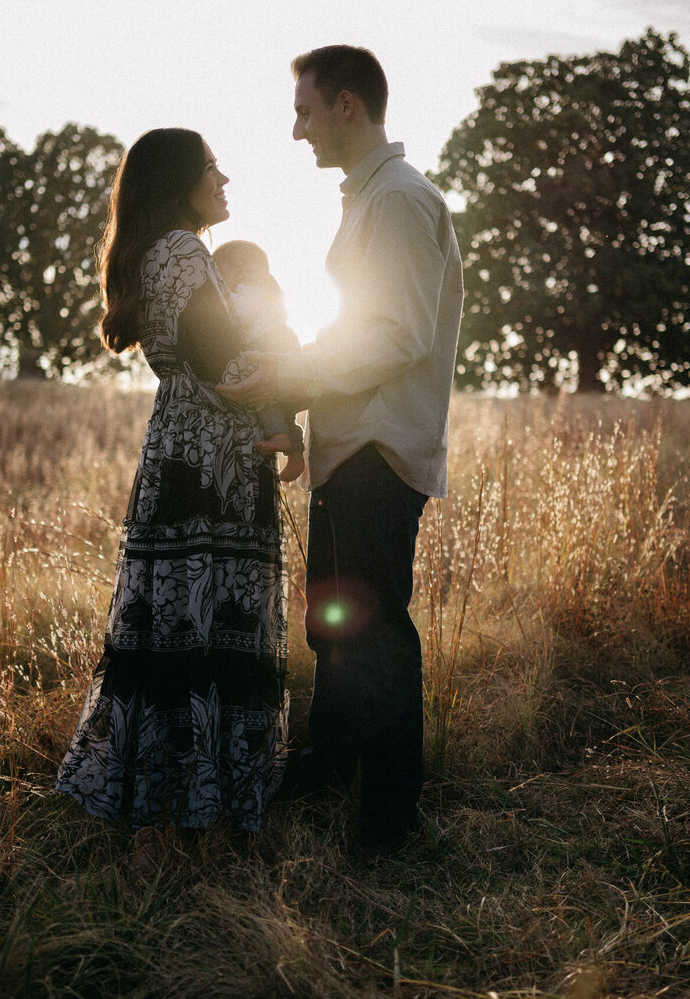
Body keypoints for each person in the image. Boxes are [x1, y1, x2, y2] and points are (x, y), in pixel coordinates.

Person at [218, 45, 463, 854]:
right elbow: (358, 328)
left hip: (377, 452)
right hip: (352, 445)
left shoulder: (396, 201)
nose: (298, 132)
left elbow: (394, 336)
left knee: (375, 634)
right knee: (335, 626)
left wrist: (290, 369)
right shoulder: (370, 199)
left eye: (305, 112)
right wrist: (290, 383)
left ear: (347, 106)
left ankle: (389, 820)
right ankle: (330, 767)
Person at [56, 128, 288, 832]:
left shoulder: (159, 254)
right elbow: (229, 368)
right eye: (213, 169)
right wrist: (317, 378)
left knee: (176, 620)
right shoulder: (185, 252)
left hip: (180, 446)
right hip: (212, 459)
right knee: (215, 614)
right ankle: (208, 793)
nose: (225, 181)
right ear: (180, 181)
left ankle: (163, 784)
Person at [212, 239, 305, 484]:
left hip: (268, 344)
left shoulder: (245, 292)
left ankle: (279, 434)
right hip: (284, 340)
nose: (217, 280)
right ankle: (295, 452)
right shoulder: (269, 288)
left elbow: (234, 310)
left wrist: (215, 294)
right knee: (284, 404)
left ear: (240, 269)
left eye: (219, 273)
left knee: (261, 394)